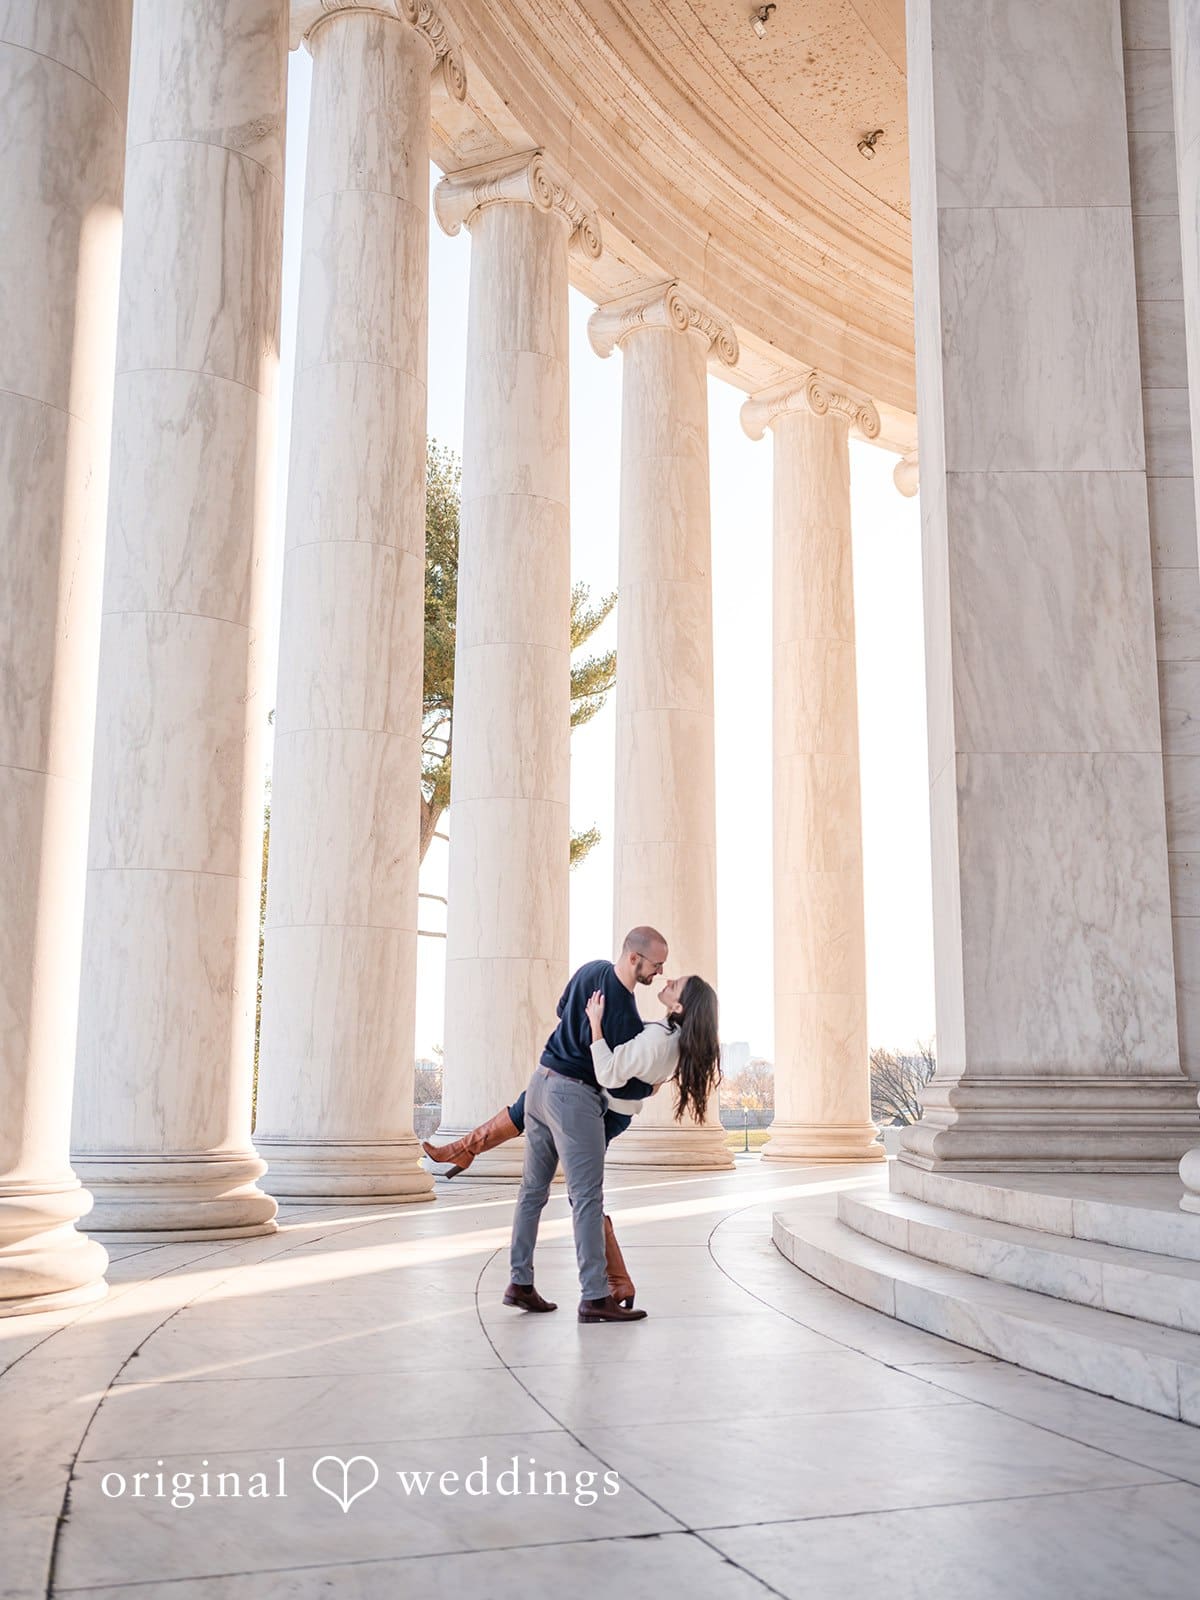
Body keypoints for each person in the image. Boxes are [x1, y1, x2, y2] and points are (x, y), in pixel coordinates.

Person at [504, 927, 668, 1323]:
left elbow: (563, 1011)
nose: (659, 973)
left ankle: (519, 1282)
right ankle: (595, 1296)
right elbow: (616, 1077)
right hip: (573, 1098)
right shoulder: (626, 1015)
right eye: (656, 965)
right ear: (634, 958)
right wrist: (653, 1085)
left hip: (540, 1083)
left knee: (532, 1191)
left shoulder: (590, 969)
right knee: (587, 1198)